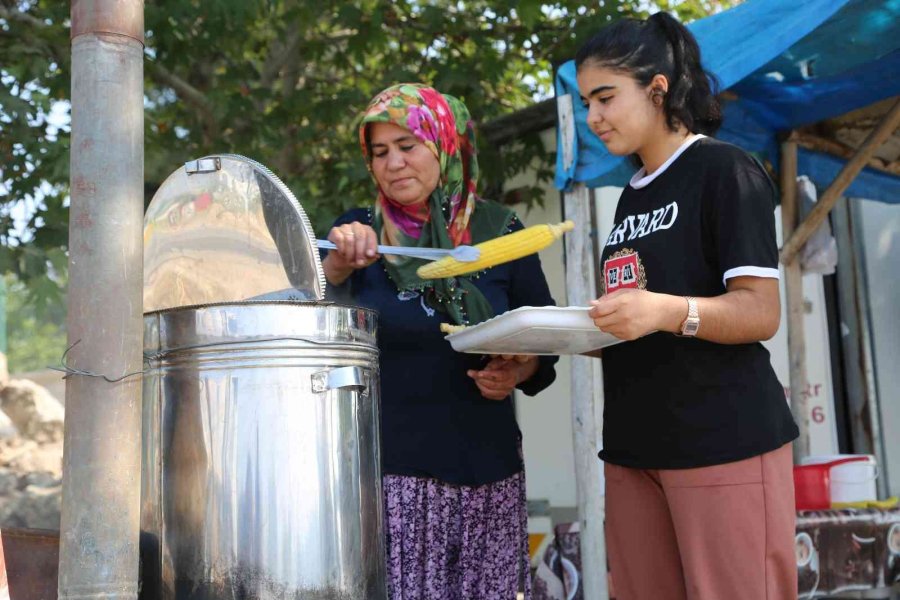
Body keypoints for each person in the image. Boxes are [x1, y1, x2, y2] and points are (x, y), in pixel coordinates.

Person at [574, 12, 800, 600]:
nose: (592, 118)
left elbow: (760, 312)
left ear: (658, 88)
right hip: (633, 450)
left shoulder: (726, 171)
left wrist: (665, 311)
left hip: (720, 442)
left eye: (605, 98)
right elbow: (640, 309)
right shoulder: (630, 197)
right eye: (586, 102)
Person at [322, 83, 558, 600]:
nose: (394, 163)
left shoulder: (501, 229)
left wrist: (515, 372)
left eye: (408, 146)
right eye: (380, 152)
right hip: (392, 479)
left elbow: (544, 345)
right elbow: (312, 316)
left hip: (489, 474)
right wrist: (336, 265)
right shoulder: (356, 235)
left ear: (445, 145)